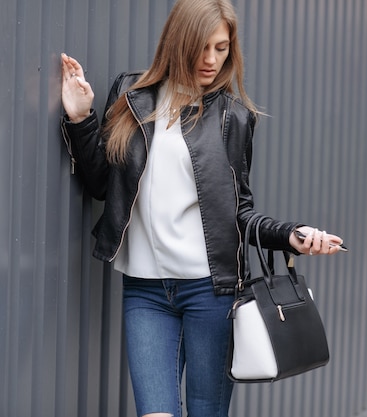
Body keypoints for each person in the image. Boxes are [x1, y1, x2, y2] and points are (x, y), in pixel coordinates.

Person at [60, 0, 344, 416]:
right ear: (177, 41)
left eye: (222, 48)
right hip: (144, 289)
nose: (211, 60)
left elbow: (240, 211)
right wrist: (82, 118)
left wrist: (290, 234)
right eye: (202, 47)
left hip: (210, 291)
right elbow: (104, 184)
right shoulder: (132, 95)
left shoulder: (234, 118)